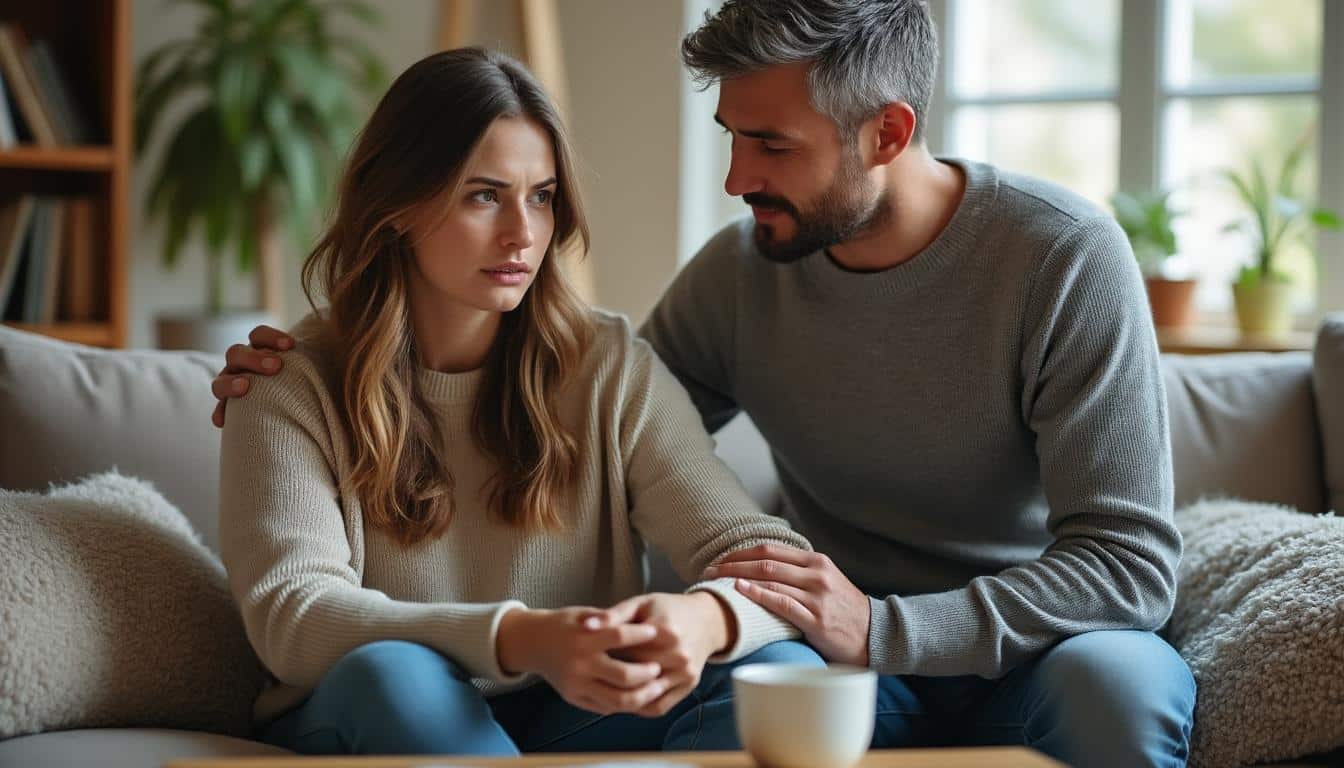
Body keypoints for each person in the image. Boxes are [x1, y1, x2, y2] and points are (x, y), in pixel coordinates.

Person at [213, 2, 1197, 765]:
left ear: (888, 134)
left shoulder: (1060, 259)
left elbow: (1129, 568)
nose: (733, 178)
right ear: (398, 208)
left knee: (1120, 686)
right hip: (833, 661)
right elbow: (643, 443)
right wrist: (297, 366)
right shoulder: (734, 278)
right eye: (733, 134)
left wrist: (827, 623)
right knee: (771, 675)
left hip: (1023, 646)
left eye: (771, 145)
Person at [215, 46, 822, 758]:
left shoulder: (609, 366)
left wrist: (704, 620)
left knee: (783, 674)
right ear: (400, 206)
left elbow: (763, 560)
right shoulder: (289, 383)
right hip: (376, 704)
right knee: (394, 675)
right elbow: (296, 619)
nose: (523, 234)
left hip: (570, 710)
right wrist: (519, 637)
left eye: (541, 195)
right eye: (483, 194)